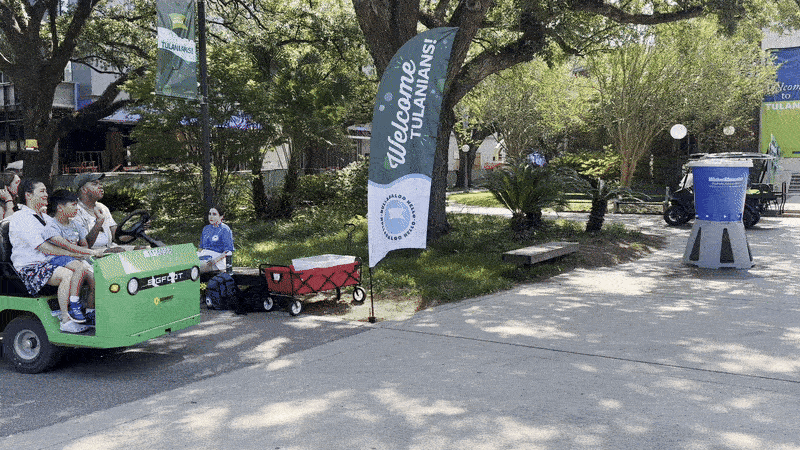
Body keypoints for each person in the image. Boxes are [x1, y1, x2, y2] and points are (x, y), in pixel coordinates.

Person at [9, 179, 105, 333]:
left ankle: (89, 313)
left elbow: (64, 241)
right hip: (31, 268)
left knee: (90, 273)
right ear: (28, 195)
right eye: (41, 191)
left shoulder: (45, 218)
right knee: (67, 273)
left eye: (46, 191)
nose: (46, 194)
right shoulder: (21, 218)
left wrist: (80, 252)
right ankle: (66, 319)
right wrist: (75, 253)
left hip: (48, 263)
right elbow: (45, 248)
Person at [44, 189, 98, 316]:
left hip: (75, 258)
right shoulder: (51, 226)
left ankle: (91, 311)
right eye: (73, 205)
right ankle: (74, 304)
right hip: (57, 258)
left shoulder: (76, 224)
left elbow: (84, 244)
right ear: (60, 207)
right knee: (80, 267)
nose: (77, 209)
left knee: (95, 279)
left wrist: (88, 252)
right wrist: (92, 253)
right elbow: (67, 246)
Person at [73, 173, 126, 250]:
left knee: (141, 249)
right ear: (84, 189)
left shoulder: (102, 207)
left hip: (110, 248)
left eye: (100, 184)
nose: (100, 186)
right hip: (90, 254)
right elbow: (83, 246)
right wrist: (99, 222)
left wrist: (135, 231)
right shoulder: (75, 210)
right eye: (95, 184)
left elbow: (116, 237)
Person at [198, 206, 234, 274]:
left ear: (221, 217)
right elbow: (201, 247)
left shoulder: (225, 229)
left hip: (218, 260)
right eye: (209, 214)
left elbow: (227, 251)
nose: (211, 217)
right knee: (186, 264)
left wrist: (214, 261)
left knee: (195, 268)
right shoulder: (206, 229)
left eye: (214, 214)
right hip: (204, 257)